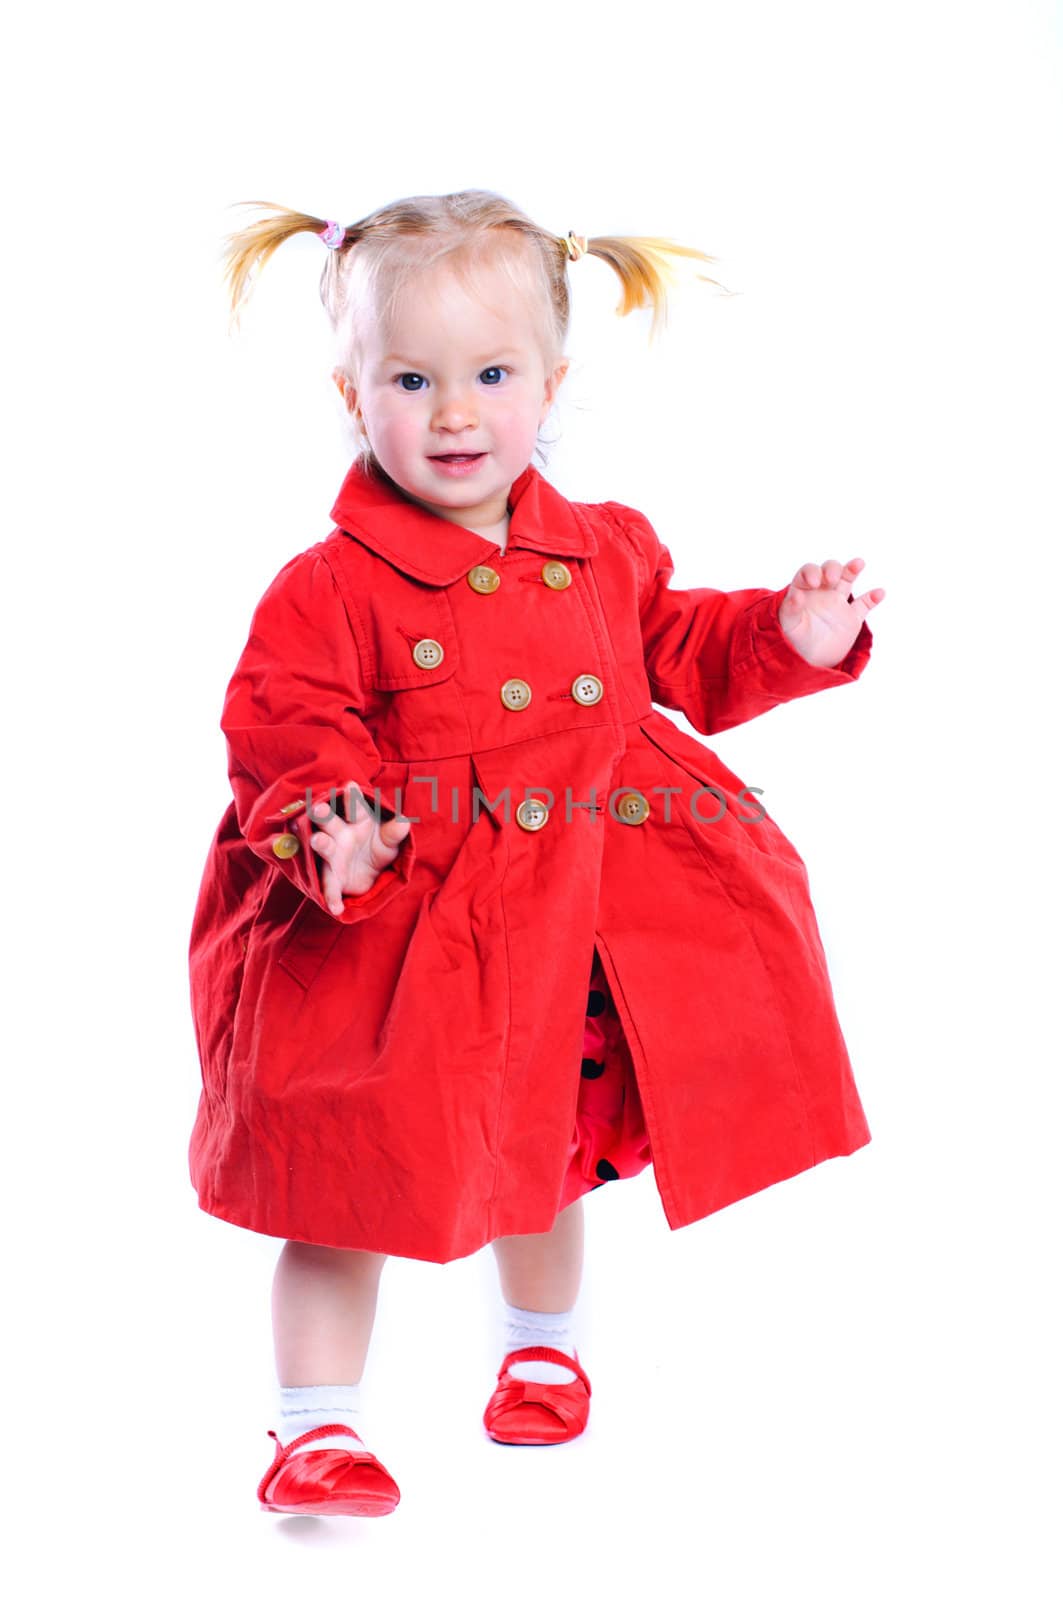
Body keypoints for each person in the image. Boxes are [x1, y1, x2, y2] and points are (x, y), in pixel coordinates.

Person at [187, 190, 885, 1518]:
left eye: (491, 375)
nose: (455, 414)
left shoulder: (603, 548)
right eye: (412, 379)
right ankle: (313, 1427)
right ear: (352, 394)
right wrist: (334, 827)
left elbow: (681, 645)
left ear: (551, 383)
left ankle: (541, 1351)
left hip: (572, 908)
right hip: (401, 925)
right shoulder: (330, 586)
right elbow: (286, 722)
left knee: (545, 1151)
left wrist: (786, 635)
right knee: (344, 1186)